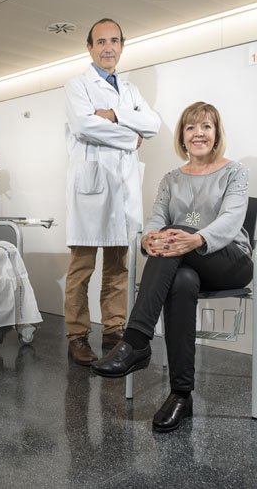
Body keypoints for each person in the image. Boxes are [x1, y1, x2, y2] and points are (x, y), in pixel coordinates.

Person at [91, 101, 253, 433]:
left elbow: (231, 220)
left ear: (216, 133)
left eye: (206, 127)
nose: (199, 134)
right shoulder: (170, 179)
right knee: (181, 283)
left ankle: (135, 340)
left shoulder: (235, 171)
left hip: (229, 259)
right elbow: (156, 218)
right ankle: (181, 394)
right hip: (185, 261)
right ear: (182, 135)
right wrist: (150, 237)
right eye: (191, 127)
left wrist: (194, 239)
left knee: (178, 235)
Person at [63, 18, 161, 365]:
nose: (108, 48)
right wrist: (131, 137)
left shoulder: (130, 91)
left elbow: (154, 123)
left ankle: (113, 329)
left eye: (114, 41)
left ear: (122, 46)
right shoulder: (77, 85)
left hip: (123, 191)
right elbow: (84, 125)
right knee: (82, 268)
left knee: (119, 267)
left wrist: (115, 114)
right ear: (89, 48)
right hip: (91, 189)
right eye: (101, 42)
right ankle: (76, 335)